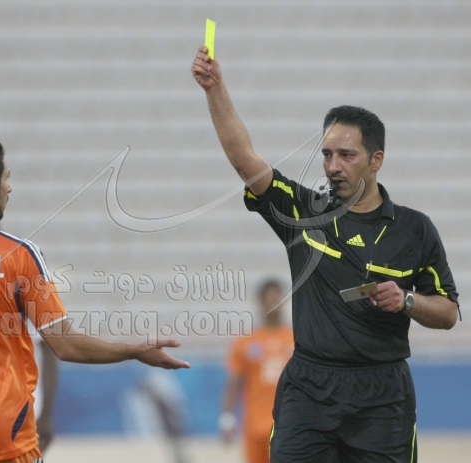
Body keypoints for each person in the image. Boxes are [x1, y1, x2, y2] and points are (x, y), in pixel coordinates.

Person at [192, 46, 459, 463]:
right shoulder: (303, 211)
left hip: (382, 396)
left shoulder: (415, 229)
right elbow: (245, 160)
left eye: (346, 155)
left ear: (376, 160)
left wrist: (407, 301)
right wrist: (215, 90)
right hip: (309, 389)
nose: (333, 166)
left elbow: (448, 313)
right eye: (327, 154)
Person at [0, 133, 190, 463]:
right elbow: (65, 345)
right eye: (6, 178)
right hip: (4, 437)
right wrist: (133, 350)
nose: (10, 188)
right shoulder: (20, 255)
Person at [220, 280, 293, 463]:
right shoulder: (246, 342)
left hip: (288, 425)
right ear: (261, 302)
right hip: (255, 426)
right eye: (270, 298)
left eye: (278, 298)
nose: (275, 303)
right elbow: (233, 383)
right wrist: (227, 420)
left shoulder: (296, 340)